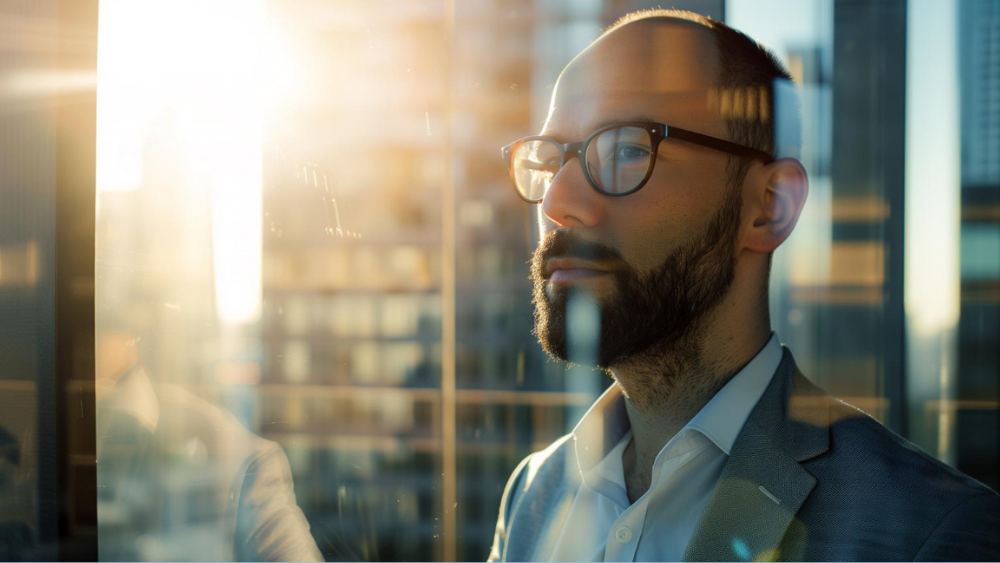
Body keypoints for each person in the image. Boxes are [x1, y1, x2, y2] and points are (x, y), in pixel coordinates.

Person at [489, 9, 1000, 562]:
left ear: (770, 208)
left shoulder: (933, 533)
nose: (558, 203)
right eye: (549, 160)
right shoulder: (533, 491)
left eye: (627, 150)